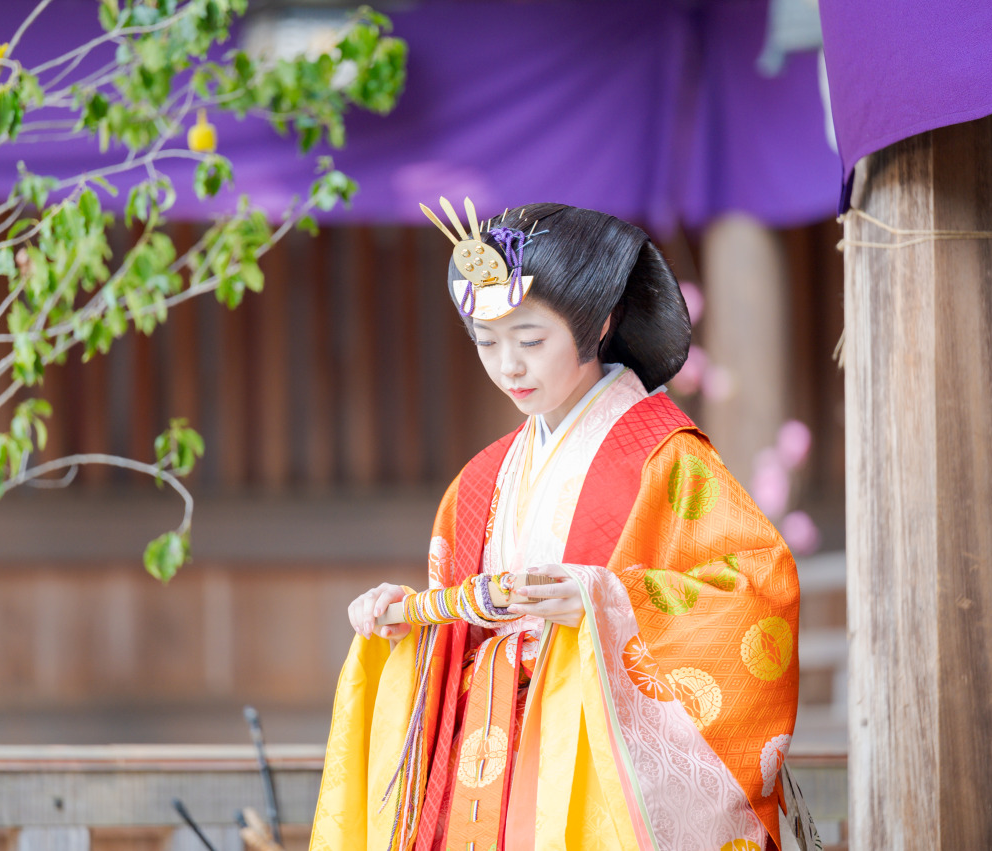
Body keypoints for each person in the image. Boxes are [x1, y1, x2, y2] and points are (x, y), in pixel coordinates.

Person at [310, 201, 810, 851]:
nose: (508, 366)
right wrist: (416, 620)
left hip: (597, 761)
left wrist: (607, 601)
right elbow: (462, 627)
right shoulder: (479, 482)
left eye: (530, 340)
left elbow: (757, 586)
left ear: (598, 322)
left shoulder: (668, 458)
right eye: (488, 342)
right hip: (488, 759)